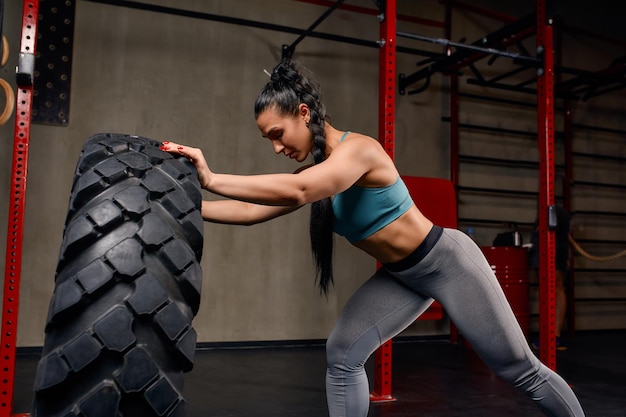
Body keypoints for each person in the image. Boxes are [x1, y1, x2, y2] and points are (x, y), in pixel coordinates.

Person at [161, 59, 584, 417]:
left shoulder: (358, 152)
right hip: (402, 276)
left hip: (447, 262)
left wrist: (212, 178)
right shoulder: (314, 171)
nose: (276, 148)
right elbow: (252, 212)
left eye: (277, 134)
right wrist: (182, 205)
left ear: (304, 114)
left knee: (517, 367)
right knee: (342, 354)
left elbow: (299, 191)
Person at [529, 205, 571, 350]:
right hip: (548, 249)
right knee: (552, 288)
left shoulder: (555, 212)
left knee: (553, 288)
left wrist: (554, 256)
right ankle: (553, 336)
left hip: (552, 250)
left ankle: (553, 337)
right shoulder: (550, 211)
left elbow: (558, 235)